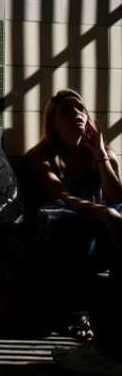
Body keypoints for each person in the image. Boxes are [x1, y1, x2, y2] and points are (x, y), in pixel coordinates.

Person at [25, 89, 122, 277]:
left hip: (98, 219)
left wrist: (101, 156)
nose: (77, 114)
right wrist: (106, 212)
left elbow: (116, 197)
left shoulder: (104, 154)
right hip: (62, 225)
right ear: (53, 124)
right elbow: (65, 199)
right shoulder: (41, 158)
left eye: (81, 109)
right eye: (67, 111)